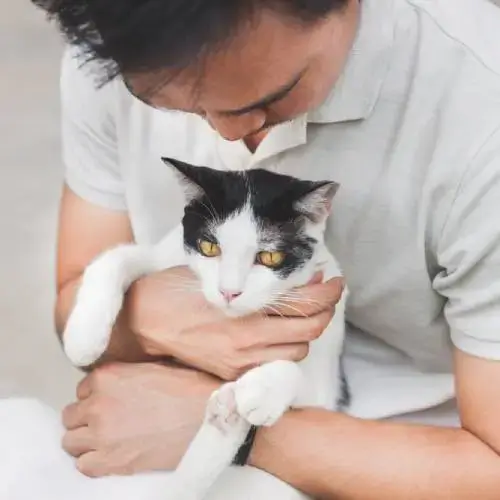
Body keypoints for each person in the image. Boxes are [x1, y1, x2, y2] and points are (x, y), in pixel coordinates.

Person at [32, 0, 500, 497]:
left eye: (274, 97)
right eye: (174, 106)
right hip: (148, 422)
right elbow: (74, 301)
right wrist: (149, 319)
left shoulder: (479, 118)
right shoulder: (111, 47)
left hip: (412, 456)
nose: (227, 135)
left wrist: (229, 432)